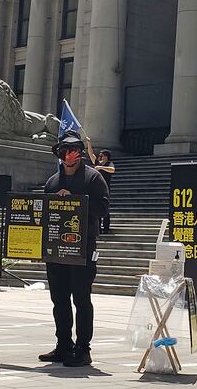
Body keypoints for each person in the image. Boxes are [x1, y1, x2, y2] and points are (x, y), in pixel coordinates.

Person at [39, 132, 109, 367]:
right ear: (59, 154)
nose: (70, 155)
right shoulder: (51, 182)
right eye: (66, 151)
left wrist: (75, 201)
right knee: (58, 299)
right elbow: (43, 213)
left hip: (83, 248)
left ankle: (83, 349)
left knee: (81, 297)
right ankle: (63, 345)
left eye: (75, 150)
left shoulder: (93, 178)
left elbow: (102, 208)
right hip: (56, 248)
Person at [85, 138, 115, 234]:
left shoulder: (109, 164)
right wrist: (89, 143)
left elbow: (112, 170)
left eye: (102, 156)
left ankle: (106, 227)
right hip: (96, 188)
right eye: (100, 155)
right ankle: (98, 228)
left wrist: (101, 167)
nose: (100, 157)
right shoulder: (97, 163)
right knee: (96, 208)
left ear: (106, 157)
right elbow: (91, 154)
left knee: (105, 208)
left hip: (105, 189)